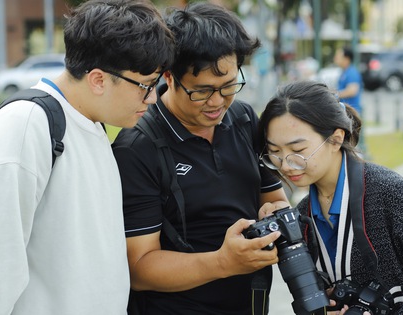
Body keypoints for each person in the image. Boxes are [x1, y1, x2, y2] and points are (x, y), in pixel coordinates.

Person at [0, 1, 175, 314]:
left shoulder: (90, 123)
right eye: (146, 86)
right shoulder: (25, 126)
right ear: (98, 79)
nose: (152, 98)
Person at [111, 3, 290, 314]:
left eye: (229, 86)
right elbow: (139, 268)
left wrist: (277, 217)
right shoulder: (138, 148)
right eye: (202, 91)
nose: (218, 102)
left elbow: (275, 199)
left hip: (251, 304)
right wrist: (224, 261)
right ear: (168, 75)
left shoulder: (244, 118)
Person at [257, 80, 403, 314]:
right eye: (274, 152)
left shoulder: (391, 194)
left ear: (336, 139)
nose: (286, 165)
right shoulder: (303, 215)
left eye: (297, 151)